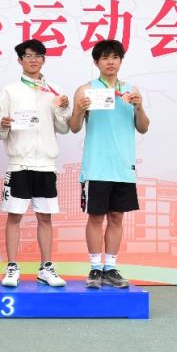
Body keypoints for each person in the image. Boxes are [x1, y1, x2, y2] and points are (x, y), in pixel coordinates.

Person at [69, 40, 149, 289]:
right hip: (96, 165)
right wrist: (79, 110)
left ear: (121, 61)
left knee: (116, 217)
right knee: (96, 217)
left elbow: (143, 127)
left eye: (114, 57)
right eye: (104, 58)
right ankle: (95, 268)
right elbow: (74, 127)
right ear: (96, 62)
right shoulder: (86, 90)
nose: (110, 62)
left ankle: (110, 267)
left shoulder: (131, 91)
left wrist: (139, 107)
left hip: (123, 166)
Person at [0, 39, 70, 287]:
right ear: (20, 60)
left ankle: (46, 268)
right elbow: (0, 130)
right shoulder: (10, 91)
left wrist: (63, 109)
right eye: (27, 56)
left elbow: (63, 128)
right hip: (19, 164)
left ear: (44, 59)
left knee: (45, 217)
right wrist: (2, 125)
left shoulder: (55, 91)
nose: (33, 60)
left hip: (46, 164)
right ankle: (12, 267)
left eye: (37, 56)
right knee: (14, 216)